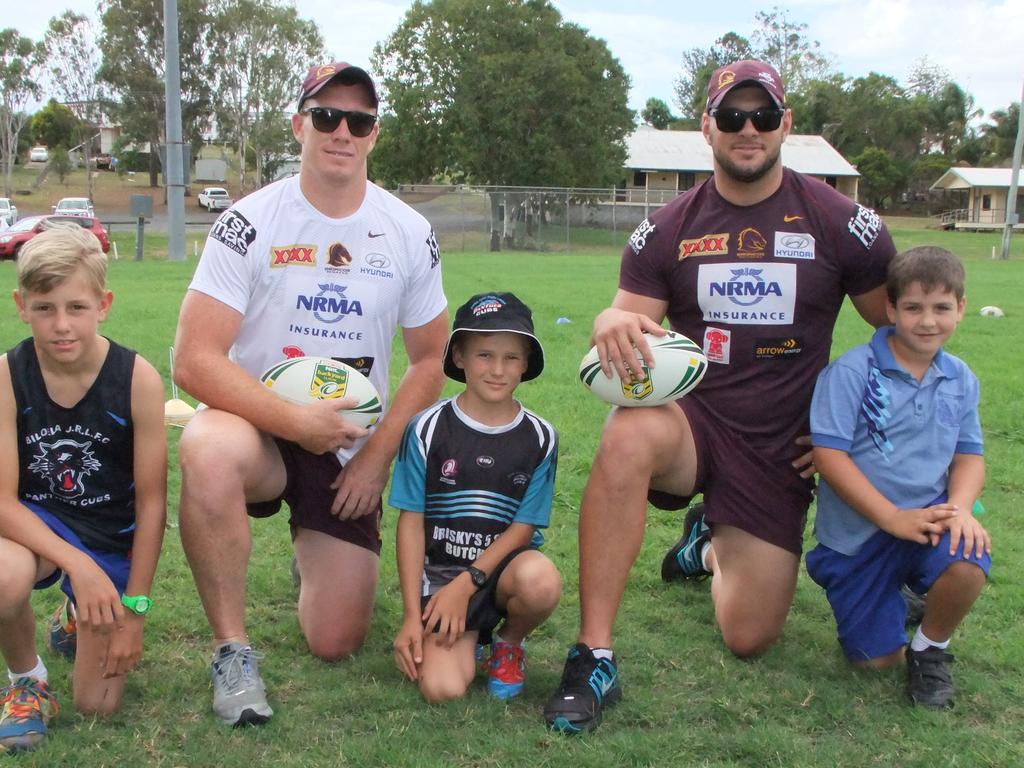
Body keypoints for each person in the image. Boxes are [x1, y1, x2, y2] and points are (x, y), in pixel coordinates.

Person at [543, 59, 898, 734]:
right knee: (627, 430)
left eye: (763, 116)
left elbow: (902, 333)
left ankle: (704, 547)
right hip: (694, 421)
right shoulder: (669, 229)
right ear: (707, 126)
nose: (748, 129)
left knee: (749, 636)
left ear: (785, 124)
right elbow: (626, 323)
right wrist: (607, 322)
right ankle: (594, 653)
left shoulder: (838, 221)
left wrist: (838, 431)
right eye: (731, 116)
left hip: (780, 444)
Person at [172, 61, 449, 726]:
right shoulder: (248, 222)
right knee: (205, 446)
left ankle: (313, 561)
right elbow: (192, 359)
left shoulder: (408, 231)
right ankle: (231, 651)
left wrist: (380, 456)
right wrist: (295, 423)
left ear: (374, 135)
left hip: (350, 447)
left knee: (336, 642)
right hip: (261, 430)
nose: (341, 131)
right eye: (326, 116)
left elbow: (431, 357)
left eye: (358, 121)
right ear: (300, 124)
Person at [0, 225, 167, 752]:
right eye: (45, 308)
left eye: (77, 307)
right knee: (4, 576)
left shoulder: (136, 377)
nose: (62, 325)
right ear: (21, 305)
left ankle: (78, 615)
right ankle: (27, 681)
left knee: (98, 704)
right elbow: (1, 503)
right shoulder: (7, 375)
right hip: (38, 528)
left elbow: (153, 501)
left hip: (110, 536)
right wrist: (77, 564)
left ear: (104, 304)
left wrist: (135, 610)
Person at [807, 245, 990, 709]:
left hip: (928, 522)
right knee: (875, 662)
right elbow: (829, 456)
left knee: (969, 557)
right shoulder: (852, 373)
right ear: (891, 309)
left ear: (961, 309)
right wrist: (891, 518)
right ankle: (900, 596)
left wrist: (963, 510)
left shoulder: (961, 378)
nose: (928, 321)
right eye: (913, 308)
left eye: (941, 308)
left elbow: (969, 455)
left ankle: (931, 649)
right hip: (859, 537)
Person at [390, 293, 561, 702]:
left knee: (541, 581)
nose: (498, 370)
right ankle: (468, 639)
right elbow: (411, 522)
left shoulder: (541, 437)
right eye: (485, 355)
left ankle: (507, 644)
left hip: (497, 577)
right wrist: (412, 618)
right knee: (442, 690)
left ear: (525, 364)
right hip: (442, 580)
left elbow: (523, 529)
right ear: (460, 356)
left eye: (511, 358)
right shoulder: (426, 429)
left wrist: (468, 585)